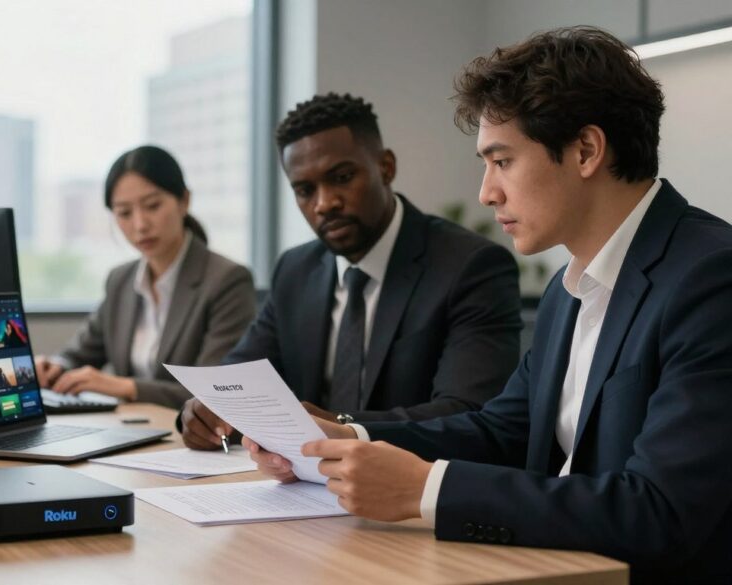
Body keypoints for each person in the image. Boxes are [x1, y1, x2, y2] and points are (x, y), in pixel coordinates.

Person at [247, 27, 732, 583]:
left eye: (501, 161)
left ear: (586, 150)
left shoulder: (710, 279)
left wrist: (425, 489)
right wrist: (347, 438)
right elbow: (502, 430)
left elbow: (659, 511)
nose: (486, 192)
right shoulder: (568, 290)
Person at [180, 92, 522, 450]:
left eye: (341, 177)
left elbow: (468, 413)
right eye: (305, 190)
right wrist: (205, 411)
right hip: (301, 487)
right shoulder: (296, 270)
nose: (325, 203)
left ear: (386, 167)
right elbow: (238, 379)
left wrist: (342, 427)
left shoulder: (470, 265)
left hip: (411, 492)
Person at [35, 145, 256, 408]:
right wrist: (55, 367)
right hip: (129, 429)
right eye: (124, 213)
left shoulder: (227, 280)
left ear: (184, 201)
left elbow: (217, 390)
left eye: (152, 206)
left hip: (189, 438)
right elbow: (80, 354)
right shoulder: (121, 280)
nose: (140, 225)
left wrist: (123, 386)